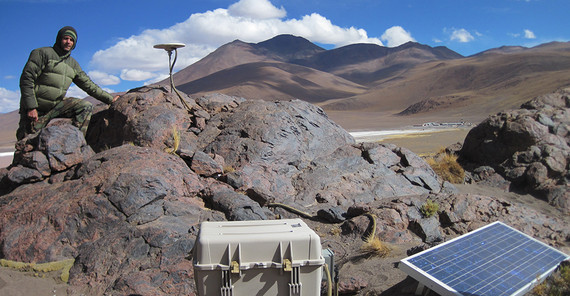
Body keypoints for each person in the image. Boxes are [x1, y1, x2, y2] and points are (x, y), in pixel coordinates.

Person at [17, 26, 119, 141]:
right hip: (36, 109)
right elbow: (27, 79)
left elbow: (89, 85)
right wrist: (31, 107)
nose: (68, 42)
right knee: (27, 142)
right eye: (65, 38)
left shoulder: (73, 64)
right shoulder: (42, 53)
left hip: (55, 106)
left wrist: (110, 99)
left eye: (71, 40)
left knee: (85, 107)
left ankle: (75, 142)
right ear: (59, 39)